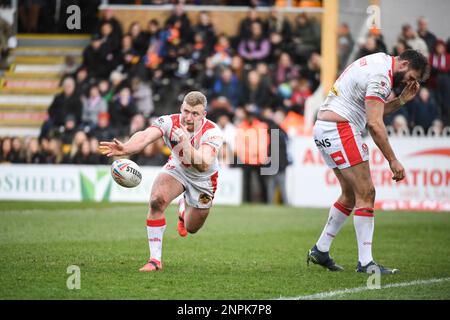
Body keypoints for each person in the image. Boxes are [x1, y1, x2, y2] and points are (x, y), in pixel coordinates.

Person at [306, 50, 428, 274]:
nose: (410, 82)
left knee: (351, 195)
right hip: (339, 128)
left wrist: (400, 101)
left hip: (326, 125)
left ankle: (320, 250)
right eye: (412, 77)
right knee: (367, 193)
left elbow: (373, 112)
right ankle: (365, 263)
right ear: (405, 64)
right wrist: (393, 160)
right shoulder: (382, 76)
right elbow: (374, 123)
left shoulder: (379, 61)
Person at [99, 91, 223, 272]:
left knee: (192, 227)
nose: (188, 117)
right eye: (186, 111)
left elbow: (203, 165)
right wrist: (126, 147)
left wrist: (186, 143)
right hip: (178, 168)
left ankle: (183, 207)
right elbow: (144, 136)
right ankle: (155, 261)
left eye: (195, 114)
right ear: (181, 108)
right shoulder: (168, 122)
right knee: (156, 200)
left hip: (203, 180)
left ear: (203, 115)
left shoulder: (212, 132)